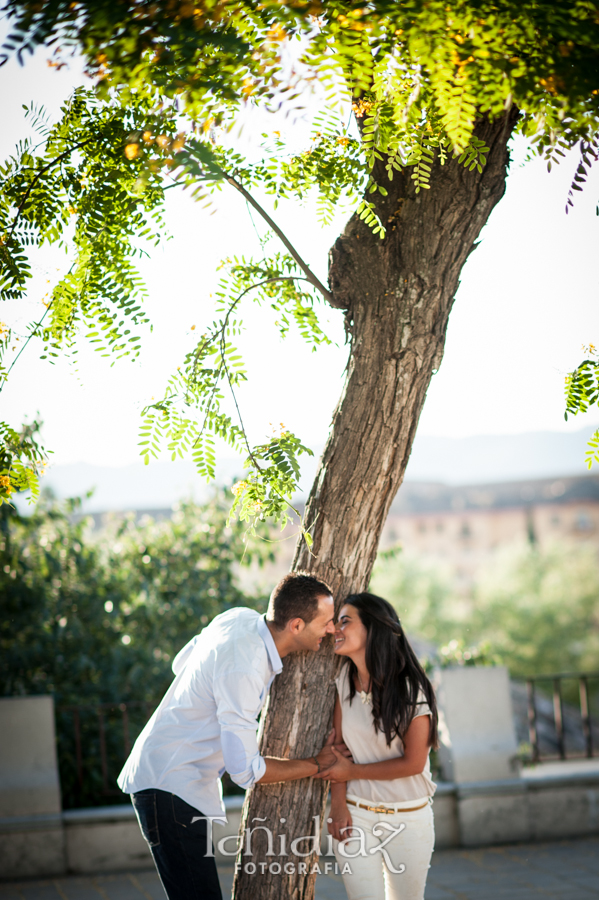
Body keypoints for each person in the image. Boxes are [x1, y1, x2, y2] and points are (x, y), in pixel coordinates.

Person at [117, 572, 342, 900]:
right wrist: (316, 765)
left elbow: (181, 663)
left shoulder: (238, 617)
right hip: (169, 786)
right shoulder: (246, 668)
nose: (333, 629)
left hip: (167, 779)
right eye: (327, 622)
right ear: (296, 625)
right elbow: (245, 771)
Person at [319, 592, 438, 900]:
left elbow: (412, 763)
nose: (335, 629)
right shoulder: (343, 680)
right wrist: (338, 804)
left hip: (409, 818)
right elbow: (338, 749)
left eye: (345, 621)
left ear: (374, 628)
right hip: (356, 817)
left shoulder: (410, 688)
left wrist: (352, 770)